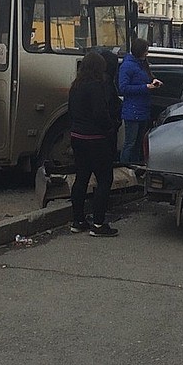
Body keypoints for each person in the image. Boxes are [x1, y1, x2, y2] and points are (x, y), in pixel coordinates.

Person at [67, 51, 121, 237]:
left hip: (77, 137)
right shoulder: (96, 86)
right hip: (96, 140)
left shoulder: (76, 85)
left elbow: (71, 111)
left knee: (81, 179)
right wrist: (110, 127)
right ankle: (98, 224)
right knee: (104, 180)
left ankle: (78, 220)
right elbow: (100, 114)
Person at [118, 37, 160, 165]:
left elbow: (146, 78)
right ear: (139, 51)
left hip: (142, 109)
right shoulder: (127, 66)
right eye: (145, 51)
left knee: (137, 144)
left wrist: (153, 81)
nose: (147, 53)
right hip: (132, 110)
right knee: (130, 143)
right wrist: (146, 87)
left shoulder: (142, 64)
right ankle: (124, 167)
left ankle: (134, 167)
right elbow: (123, 88)